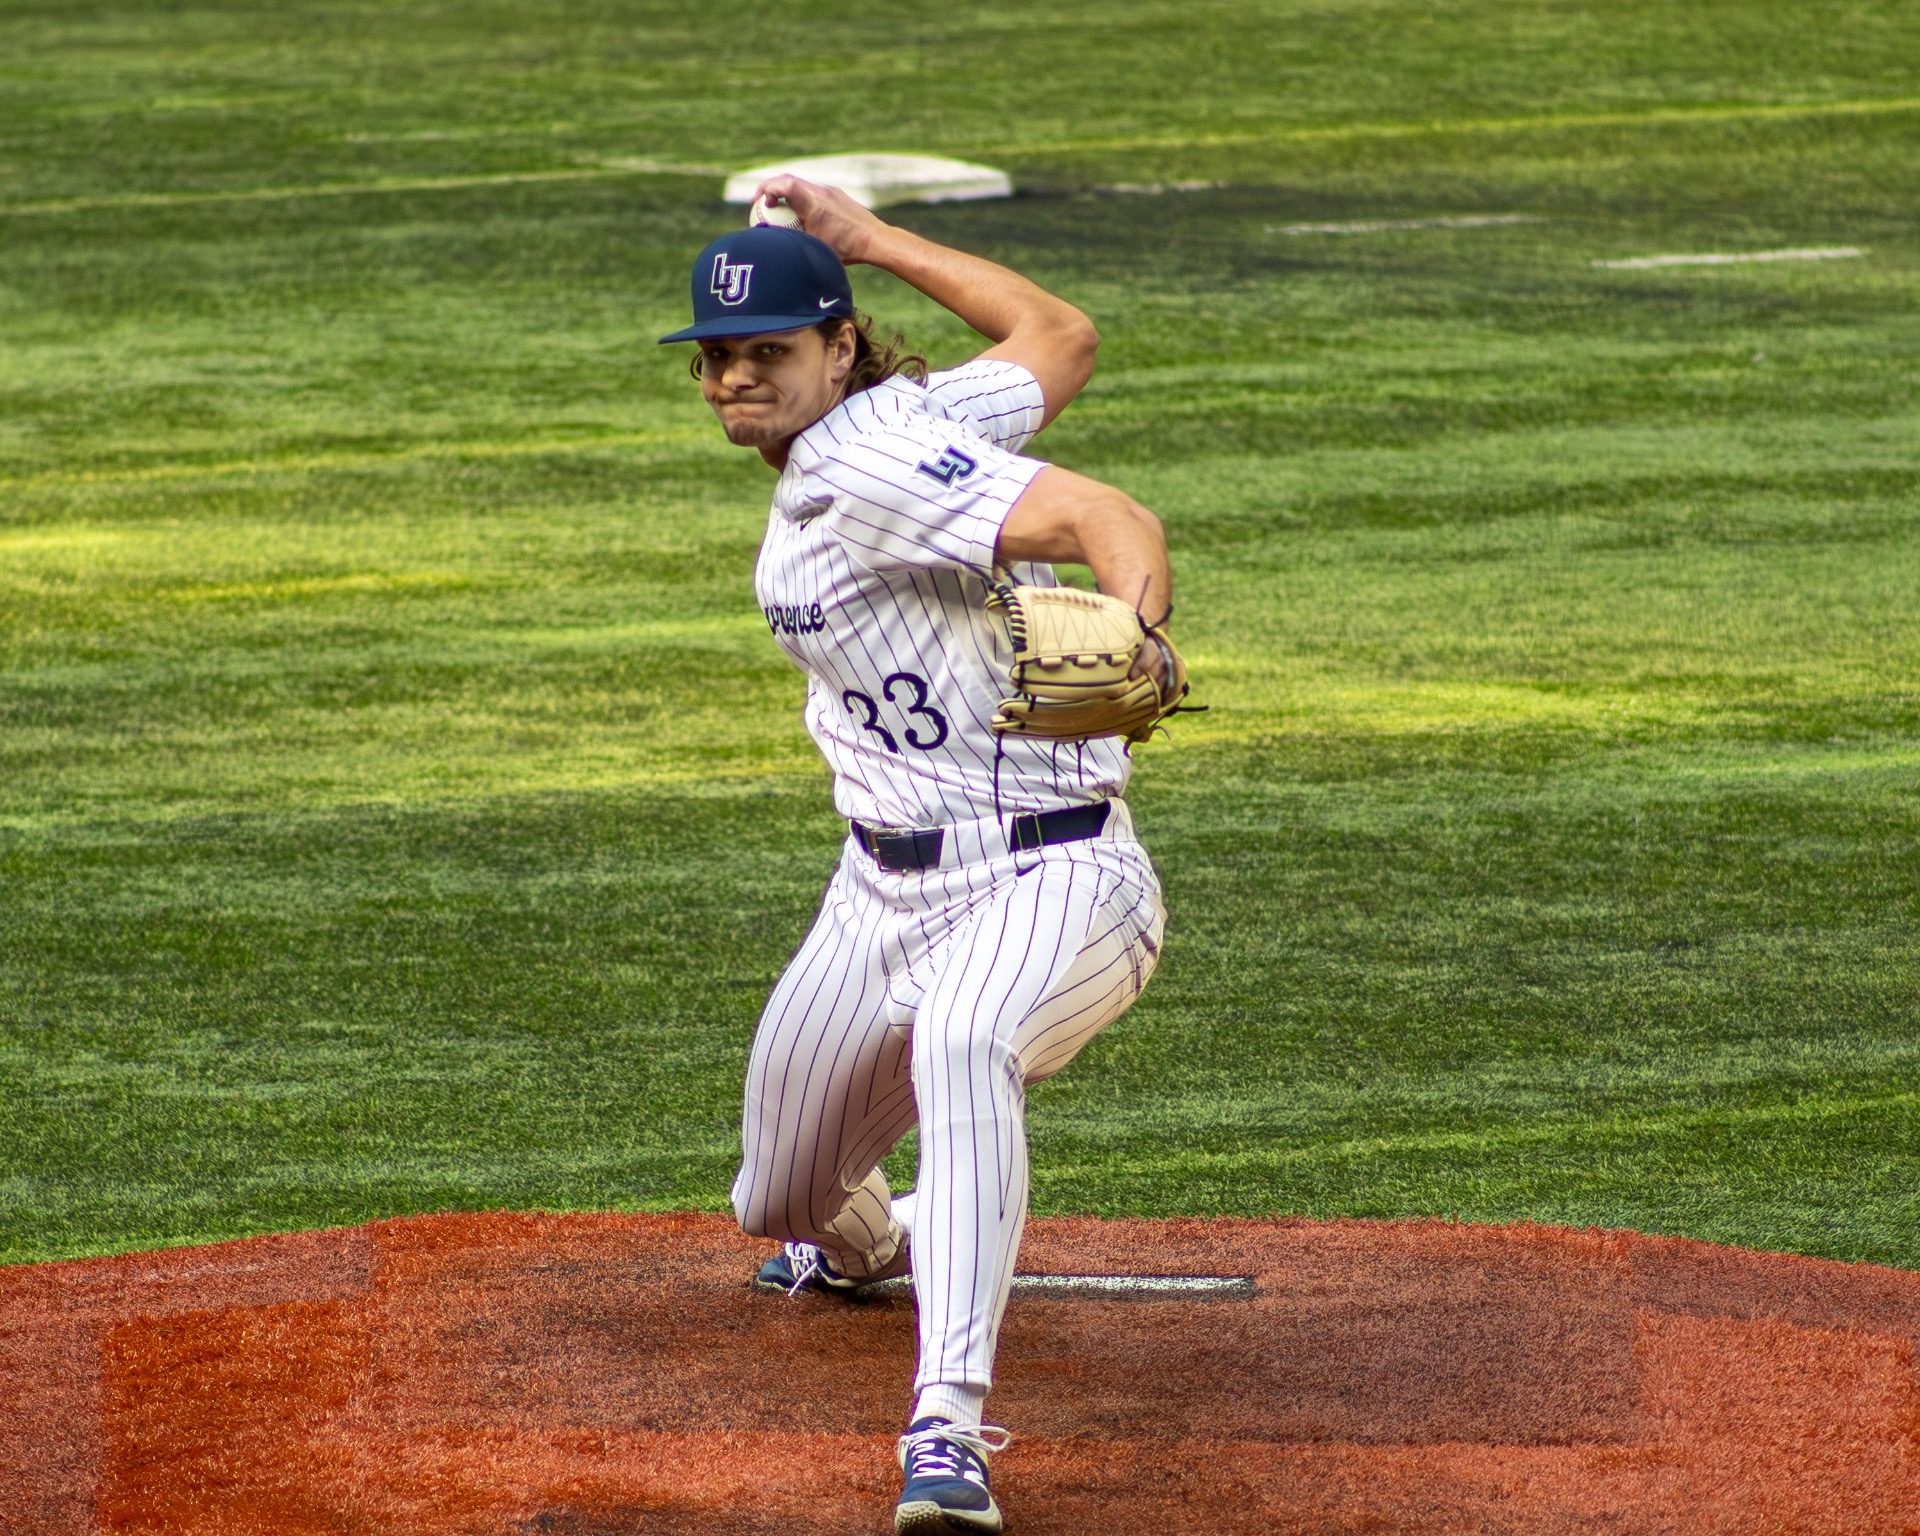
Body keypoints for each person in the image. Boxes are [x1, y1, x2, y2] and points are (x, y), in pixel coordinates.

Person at [659, 175, 1181, 1535]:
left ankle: (947, 1427)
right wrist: (869, 240)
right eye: (717, 357)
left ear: (837, 348)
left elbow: (1110, 518)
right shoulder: (918, 417)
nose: (734, 380)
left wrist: (1139, 635)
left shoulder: (872, 460)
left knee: (962, 1041)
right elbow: (1060, 335)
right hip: (879, 888)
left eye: (767, 351)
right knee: (778, 1193)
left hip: (1052, 877)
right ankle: (877, 1255)